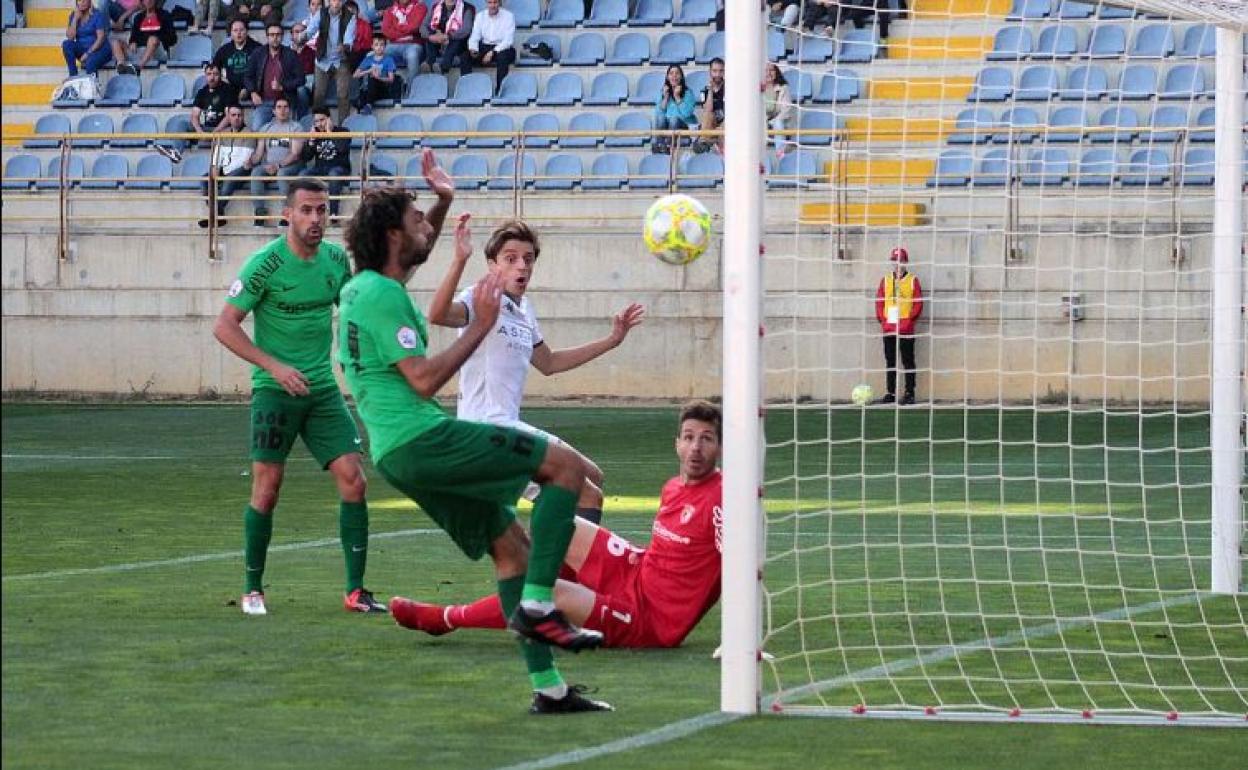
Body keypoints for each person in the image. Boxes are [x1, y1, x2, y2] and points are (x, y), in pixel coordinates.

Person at [336, 151, 611, 714]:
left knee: (511, 550)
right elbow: (422, 379)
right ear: (392, 236)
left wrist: (442, 200)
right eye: (415, 220)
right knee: (568, 470)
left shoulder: (367, 287)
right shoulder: (383, 296)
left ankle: (549, 688)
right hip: (424, 439)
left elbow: (416, 253)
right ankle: (540, 603)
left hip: (398, 452)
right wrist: (482, 325)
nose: (424, 230)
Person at [390, 400, 724, 651]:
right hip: (637, 573)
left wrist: (738, 641)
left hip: (648, 620)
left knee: (545, 593)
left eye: (707, 439)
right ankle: (567, 606)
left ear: (721, 447)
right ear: (676, 443)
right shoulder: (673, 487)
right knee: (561, 528)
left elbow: (737, 569)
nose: (696, 447)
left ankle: (446, 618)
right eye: (689, 437)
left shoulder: (723, 498)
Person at [212, 177, 385, 617]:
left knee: (354, 479)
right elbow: (225, 326)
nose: (315, 219)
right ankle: (253, 589)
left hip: (322, 391)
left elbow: (352, 311)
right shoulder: (263, 265)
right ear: (286, 214)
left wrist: (357, 359)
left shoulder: (333, 261)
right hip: (275, 392)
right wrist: (274, 366)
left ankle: (355, 591)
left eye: (322, 210)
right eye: (306, 210)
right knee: (267, 488)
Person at [426, 217, 644, 525]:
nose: (522, 267)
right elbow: (437, 314)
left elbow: (549, 362)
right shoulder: (480, 296)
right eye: (511, 259)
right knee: (586, 493)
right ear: (492, 265)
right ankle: (554, 568)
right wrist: (459, 260)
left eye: (528, 259)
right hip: (486, 430)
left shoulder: (524, 308)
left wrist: (612, 341)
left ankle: (549, 565)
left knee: (592, 476)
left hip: (507, 428)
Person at [874, 246, 923, 405]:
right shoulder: (886, 280)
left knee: (908, 360)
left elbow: (917, 302)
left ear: (906, 262)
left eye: (900, 260)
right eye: (895, 260)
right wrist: (883, 319)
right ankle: (891, 392)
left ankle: (909, 392)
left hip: (905, 328)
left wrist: (909, 319)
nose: (897, 264)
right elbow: (880, 301)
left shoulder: (912, 280)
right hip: (889, 327)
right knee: (890, 360)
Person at [249, 96, 305, 227]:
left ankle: (287, 214)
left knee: (282, 174)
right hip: (270, 166)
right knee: (256, 172)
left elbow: (295, 154)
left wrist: (278, 165)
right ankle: (260, 212)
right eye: (279, 107)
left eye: (285, 107)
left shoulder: (296, 127)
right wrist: (251, 161)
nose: (282, 110)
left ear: (290, 110)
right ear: (273, 111)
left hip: (292, 165)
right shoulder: (266, 128)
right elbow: (259, 153)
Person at [197, 104, 254, 228]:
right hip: (225, 169)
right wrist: (215, 167)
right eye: (233, 115)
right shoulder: (223, 133)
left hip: (242, 169)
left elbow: (245, 158)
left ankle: (213, 216)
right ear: (228, 117)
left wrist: (224, 173)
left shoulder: (249, 133)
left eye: (239, 115)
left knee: (228, 180)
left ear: (243, 117)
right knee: (205, 179)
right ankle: (219, 214)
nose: (237, 118)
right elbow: (217, 153)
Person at [245, 23, 306, 127]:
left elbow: (301, 79)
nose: (275, 38)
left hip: (286, 102)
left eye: (278, 35)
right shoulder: (258, 53)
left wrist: (283, 86)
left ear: (282, 36)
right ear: (267, 36)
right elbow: (247, 76)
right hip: (264, 102)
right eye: (272, 35)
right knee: (256, 129)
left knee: (289, 134)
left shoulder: (290, 54)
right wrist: (253, 92)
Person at [306, 0, 357, 125]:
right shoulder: (321, 13)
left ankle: (343, 126)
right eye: (333, 0)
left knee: (343, 94)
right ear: (329, 1)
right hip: (323, 60)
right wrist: (302, 37)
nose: (336, 3)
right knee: (318, 94)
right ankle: (317, 125)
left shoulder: (350, 16)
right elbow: (310, 30)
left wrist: (344, 46)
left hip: (341, 60)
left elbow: (349, 39)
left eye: (339, 0)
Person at [297, 106, 352, 220]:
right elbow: (305, 158)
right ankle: (305, 211)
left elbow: (342, 149)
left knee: (334, 174)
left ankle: (333, 214)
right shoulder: (315, 134)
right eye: (316, 121)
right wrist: (311, 141)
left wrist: (329, 133)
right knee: (303, 175)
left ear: (329, 119)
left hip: (340, 168)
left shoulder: (343, 131)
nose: (319, 124)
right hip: (320, 168)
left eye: (322, 120)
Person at [111, 0, 176, 75]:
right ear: (143, 2)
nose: (148, 1)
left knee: (152, 39)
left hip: (157, 51)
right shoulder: (138, 17)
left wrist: (157, 38)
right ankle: (122, 67)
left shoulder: (164, 15)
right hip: (140, 51)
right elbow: (133, 37)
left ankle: (138, 68)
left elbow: (173, 38)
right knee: (115, 42)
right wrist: (133, 42)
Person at [464, 0, 515, 93]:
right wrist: (473, 50)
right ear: (486, 3)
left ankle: (500, 89)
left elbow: (508, 41)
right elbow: (475, 36)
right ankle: (467, 88)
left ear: (499, 3)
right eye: (490, 2)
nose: (492, 5)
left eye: (495, 2)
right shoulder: (480, 16)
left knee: (503, 57)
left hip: (502, 48)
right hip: (485, 46)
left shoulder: (508, 16)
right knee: (465, 56)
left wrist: (493, 52)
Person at [212, 19, 261, 102]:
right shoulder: (224, 50)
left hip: (253, 90)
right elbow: (214, 69)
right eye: (235, 30)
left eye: (241, 30)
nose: (239, 33)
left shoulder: (257, 48)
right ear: (231, 33)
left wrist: (250, 89)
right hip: (230, 90)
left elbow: (262, 73)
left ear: (246, 31)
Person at [420, 0, 473, 76]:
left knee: (457, 40)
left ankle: (443, 66)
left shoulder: (467, 8)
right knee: (430, 36)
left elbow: (466, 29)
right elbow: (423, 27)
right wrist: (431, 36)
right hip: (438, 42)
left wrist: (448, 36)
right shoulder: (436, 7)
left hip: (457, 44)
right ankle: (429, 63)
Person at [651, 64, 695, 155]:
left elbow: (687, 113)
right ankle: (660, 144)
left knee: (674, 119)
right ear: (667, 77)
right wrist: (666, 98)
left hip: (684, 126)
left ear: (681, 77)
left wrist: (677, 97)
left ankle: (667, 145)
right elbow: (659, 113)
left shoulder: (688, 93)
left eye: (677, 73)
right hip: (668, 127)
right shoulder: (663, 92)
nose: (674, 76)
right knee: (661, 118)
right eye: (671, 73)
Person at [62, 0, 113, 78]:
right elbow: (70, 37)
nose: (82, 2)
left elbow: (101, 38)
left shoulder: (97, 14)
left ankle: (92, 86)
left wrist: (88, 53)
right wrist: (75, 19)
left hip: (100, 49)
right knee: (66, 44)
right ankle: (73, 77)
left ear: (89, 1)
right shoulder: (73, 15)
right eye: (79, 0)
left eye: (84, 0)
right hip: (83, 48)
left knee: (90, 61)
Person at [380, 0, 425, 86]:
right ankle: (383, 88)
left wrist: (397, 29)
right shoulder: (389, 10)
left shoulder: (420, 7)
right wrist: (406, 32)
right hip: (393, 45)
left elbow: (415, 27)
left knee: (412, 55)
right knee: (380, 53)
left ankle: (411, 89)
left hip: (413, 44)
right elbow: (386, 31)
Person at [352, 33, 396, 115]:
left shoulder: (389, 59)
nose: (379, 47)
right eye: (376, 45)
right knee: (364, 90)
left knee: (372, 79)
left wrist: (378, 78)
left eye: (382, 45)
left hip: (383, 89)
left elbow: (391, 79)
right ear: (372, 46)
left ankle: (368, 105)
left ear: (385, 47)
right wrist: (368, 71)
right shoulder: (368, 59)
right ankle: (363, 107)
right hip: (370, 90)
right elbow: (355, 75)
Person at [191, 62, 240, 134]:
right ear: (205, 76)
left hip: (223, 128)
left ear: (221, 75)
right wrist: (200, 132)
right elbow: (194, 115)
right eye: (209, 74)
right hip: (206, 128)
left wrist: (214, 132)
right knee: (182, 125)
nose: (212, 78)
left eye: (215, 74)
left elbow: (228, 117)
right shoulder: (202, 91)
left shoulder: (228, 90)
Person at [694, 57, 724, 154]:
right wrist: (711, 90)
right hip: (711, 124)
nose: (718, 74)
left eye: (721, 71)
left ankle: (708, 141)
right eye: (715, 71)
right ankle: (704, 142)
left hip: (726, 124)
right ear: (710, 72)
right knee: (708, 114)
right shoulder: (705, 91)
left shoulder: (730, 87)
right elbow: (708, 110)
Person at [763, 62, 793, 157]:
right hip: (763, 123)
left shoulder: (783, 88)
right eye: (765, 71)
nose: (768, 73)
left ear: (776, 72)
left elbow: (786, 109)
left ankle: (780, 152)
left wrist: (774, 120)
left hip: (779, 122)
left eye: (771, 70)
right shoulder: (756, 89)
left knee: (778, 122)